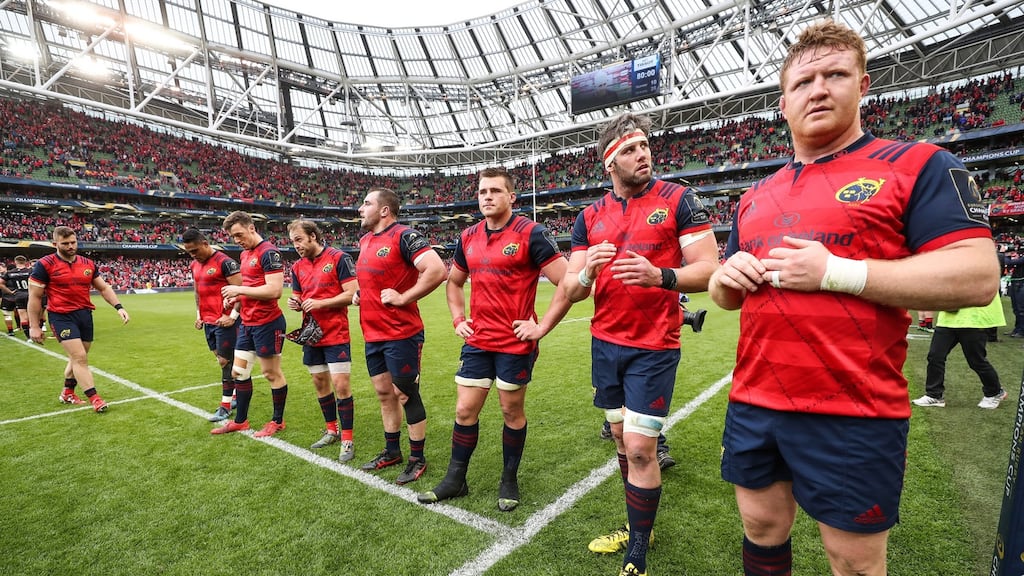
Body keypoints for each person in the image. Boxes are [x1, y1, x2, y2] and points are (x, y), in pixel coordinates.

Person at [707, 20, 999, 576]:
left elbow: (976, 275)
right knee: (762, 530)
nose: (818, 89)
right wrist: (726, 281)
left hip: (854, 410)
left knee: (854, 562)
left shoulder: (920, 165)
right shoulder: (755, 197)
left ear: (863, 86)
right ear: (783, 102)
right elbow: (726, 294)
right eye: (804, 81)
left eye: (834, 75)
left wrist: (837, 272)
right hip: (755, 400)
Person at [561, 112, 719, 576]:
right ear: (610, 162)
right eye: (630, 150)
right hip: (605, 345)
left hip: (655, 346)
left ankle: (639, 548)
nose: (643, 154)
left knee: (641, 448)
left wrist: (661, 276)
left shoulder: (679, 199)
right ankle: (637, 524)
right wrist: (587, 270)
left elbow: (709, 268)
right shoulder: (588, 218)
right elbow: (571, 290)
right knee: (618, 438)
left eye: (645, 146)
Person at [417, 166, 571, 511]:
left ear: (511, 197)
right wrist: (458, 318)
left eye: (495, 191)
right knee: (464, 409)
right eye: (483, 191)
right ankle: (456, 480)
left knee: (510, 411)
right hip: (478, 341)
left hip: (516, 344)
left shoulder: (532, 233)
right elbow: (453, 282)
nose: (487, 197)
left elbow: (568, 283)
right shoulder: (468, 236)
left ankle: (509, 479)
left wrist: (541, 326)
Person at [354, 187, 447, 484]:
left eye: (366, 203)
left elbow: (435, 270)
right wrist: (360, 294)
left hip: (401, 333)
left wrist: (405, 297)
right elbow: (374, 278)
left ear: (384, 210)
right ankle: (391, 451)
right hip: (373, 333)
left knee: (406, 394)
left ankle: (417, 458)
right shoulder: (366, 240)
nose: (360, 208)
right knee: (384, 394)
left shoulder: (405, 236)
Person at [27, 226, 131, 413]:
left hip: (84, 315)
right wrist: (35, 326)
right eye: (65, 243)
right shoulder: (45, 264)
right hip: (61, 316)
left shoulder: (87, 263)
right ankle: (95, 398)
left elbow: (104, 288)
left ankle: (67, 392)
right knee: (79, 357)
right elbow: (34, 297)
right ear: (55, 244)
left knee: (77, 358)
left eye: (73, 242)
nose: (70, 246)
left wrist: (119, 307)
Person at [211, 211, 290, 438]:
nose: (236, 240)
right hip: (248, 323)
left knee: (270, 373)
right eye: (233, 237)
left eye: (239, 234)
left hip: (268, 324)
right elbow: (253, 286)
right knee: (238, 372)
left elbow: (275, 290)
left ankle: (277, 421)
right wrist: (237, 298)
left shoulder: (269, 252)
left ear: (252, 228)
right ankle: (240, 421)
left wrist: (239, 289)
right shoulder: (245, 254)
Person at [286, 220, 359, 461]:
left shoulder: (339, 258)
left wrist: (320, 303)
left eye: (298, 239)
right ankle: (331, 430)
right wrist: (295, 304)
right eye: (292, 241)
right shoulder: (297, 267)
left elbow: (352, 294)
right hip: (312, 334)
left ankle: (347, 439)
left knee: (341, 385)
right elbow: (298, 297)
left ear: (313, 236)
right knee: (319, 382)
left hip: (336, 333)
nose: (295, 245)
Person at [182, 228, 243, 423]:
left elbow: (241, 291)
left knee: (225, 362)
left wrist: (233, 316)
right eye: (189, 252)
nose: (193, 255)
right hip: (208, 321)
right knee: (222, 359)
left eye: (195, 250)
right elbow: (198, 292)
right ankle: (236, 394)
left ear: (206, 244)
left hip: (225, 320)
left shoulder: (226, 263)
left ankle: (225, 406)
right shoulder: (194, 265)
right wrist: (198, 314)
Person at [912, 294, 1008, 409]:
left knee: (976, 361)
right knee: (935, 356)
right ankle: (934, 395)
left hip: (974, 319)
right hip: (947, 320)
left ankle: (995, 392)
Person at [1, 256, 32, 339]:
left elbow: (1, 283)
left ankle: (28, 337)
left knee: (23, 316)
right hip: (30, 294)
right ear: (26, 262)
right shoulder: (30, 271)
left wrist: (10, 292)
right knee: (32, 315)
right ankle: (35, 331)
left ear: (15, 262)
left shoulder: (10, 273)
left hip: (18, 295)